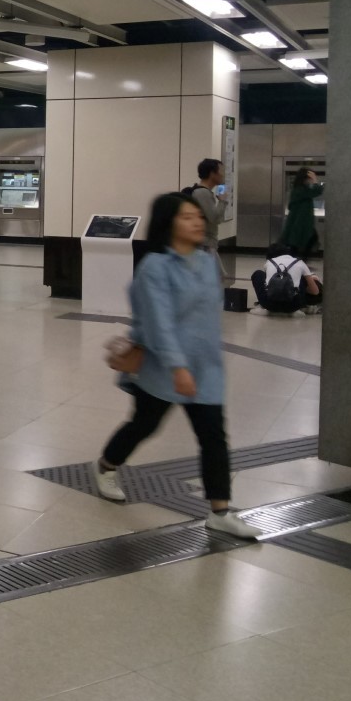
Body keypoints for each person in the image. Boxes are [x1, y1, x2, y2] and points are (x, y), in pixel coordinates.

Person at [92, 192, 260, 539]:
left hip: (205, 369)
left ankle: (220, 511)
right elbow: (159, 324)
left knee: (214, 437)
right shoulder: (155, 267)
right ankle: (106, 466)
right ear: (169, 224)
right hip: (162, 367)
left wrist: (206, 363)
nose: (197, 222)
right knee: (145, 424)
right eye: (187, 217)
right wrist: (178, 367)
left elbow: (209, 318)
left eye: (198, 216)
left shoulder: (206, 261)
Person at [187, 158, 232, 286]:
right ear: (212, 173)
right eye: (221, 171)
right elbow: (215, 218)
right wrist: (223, 201)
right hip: (204, 246)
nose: (223, 175)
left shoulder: (205, 193)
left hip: (207, 245)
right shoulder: (202, 193)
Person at [251, 243, 324, 316]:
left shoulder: (268, 263)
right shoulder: (300, 263)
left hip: (269, 304)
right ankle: (299, 309)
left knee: (258, 274)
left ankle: (266, 307)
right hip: (294, 305)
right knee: (302, 278)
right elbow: (315, 292)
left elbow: (268, 285)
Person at [280, 167, 323, 259]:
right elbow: (317, 191)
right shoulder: (300, 190)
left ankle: (299, 261)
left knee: (301, 242)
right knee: (298, 244)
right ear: (304, 179)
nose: (310, 181)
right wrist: (315, 180)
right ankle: (298, 262)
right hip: (299, 223)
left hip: (300, 223)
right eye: (309, 178)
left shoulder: (301, 189)